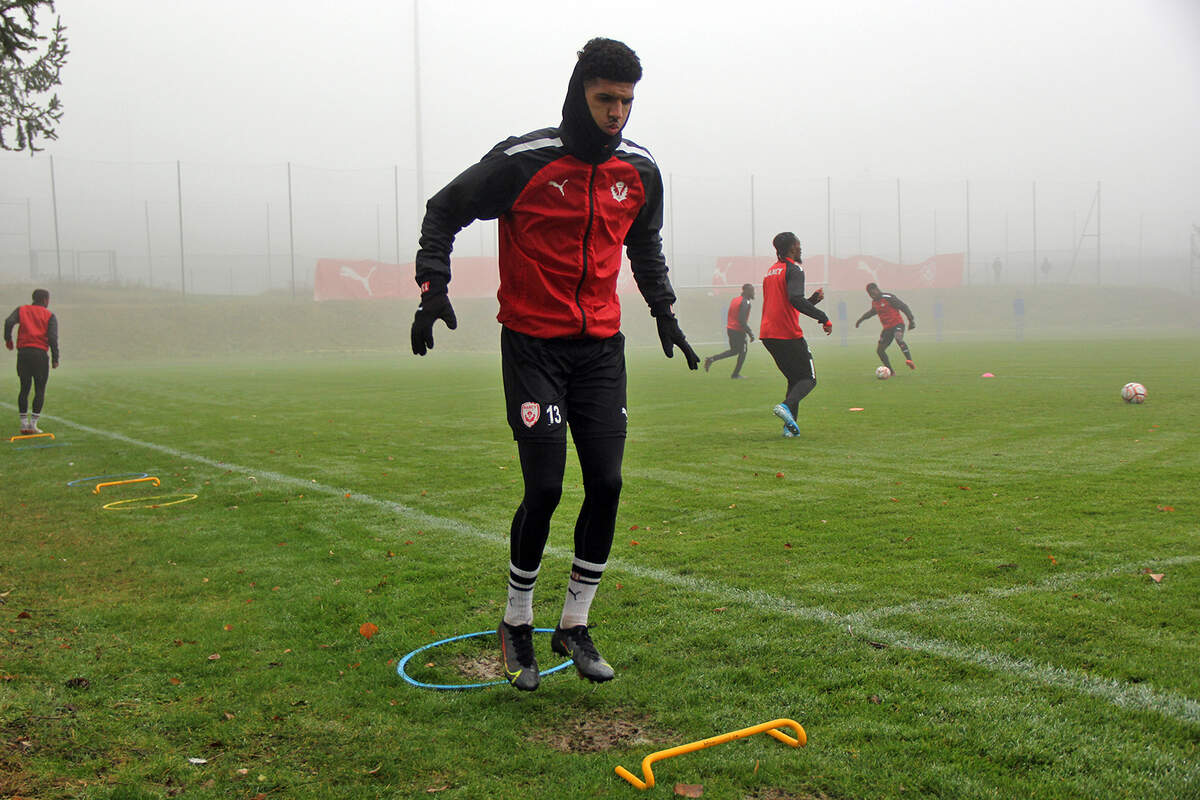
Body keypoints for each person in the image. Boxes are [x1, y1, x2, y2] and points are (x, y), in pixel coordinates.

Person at [410, 38, 699, 691]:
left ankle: (574, 623)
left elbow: (644, 243)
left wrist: (664, 312)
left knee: (608, 484)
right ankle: (516, 623)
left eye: (627, 101)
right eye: (605, 99)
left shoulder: (640, 170)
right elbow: (443, 210)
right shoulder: (523, 161)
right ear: (580, 93)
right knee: (544, 488)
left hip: (600, 350)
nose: (617, 113)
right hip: (534, 345)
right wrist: (434, 289)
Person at [759, 233, 830, 438]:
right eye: (799, 246)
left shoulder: (772, 271)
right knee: (809, 378)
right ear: (792, 248)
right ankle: (785, 406)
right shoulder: (795, 268)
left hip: (768, 334)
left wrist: (813, 300)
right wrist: (823, 317)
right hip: (787, 333)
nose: (800, 249)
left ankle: (789, 428)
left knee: (794, 378)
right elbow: (795, 299)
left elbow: (788, 303)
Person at [5, 288, 60, 435]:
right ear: (45, 300)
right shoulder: (49, 315)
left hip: (23, 354)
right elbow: (53, 338)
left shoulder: (22, 310)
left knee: (24, 388)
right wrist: (55, 358)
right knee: (40, 389)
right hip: (40, 354)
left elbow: (9, 321)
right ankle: (33, 424)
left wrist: (8, 339)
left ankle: (23, 425)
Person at [854, 282, 916, 372]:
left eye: (873, 293)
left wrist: (911, 320)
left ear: (877, 289)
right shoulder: (875, 303)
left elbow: (903, 307)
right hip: (887, 329)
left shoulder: (888, 297)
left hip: (897, 324)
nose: (872, 295)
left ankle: (909, 360)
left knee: (898, 338)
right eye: (870, 294)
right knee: (880, 350)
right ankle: (890, 371)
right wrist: (860, 320)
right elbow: (871, 313)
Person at [703, 283, 755, 378]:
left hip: (731, 329)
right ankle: (735, 374)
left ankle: (711, 359)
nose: (753, 292)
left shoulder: (735, 300)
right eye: (752, 290)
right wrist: (750, 333)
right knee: (743, 352)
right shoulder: (745, 302)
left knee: (734, 351)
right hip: (738, 330)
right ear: (746, 291)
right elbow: (741, 320)